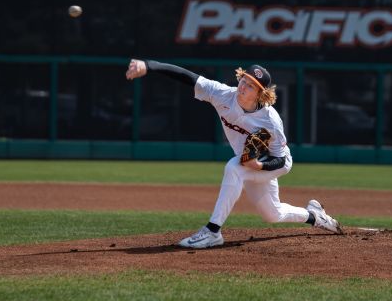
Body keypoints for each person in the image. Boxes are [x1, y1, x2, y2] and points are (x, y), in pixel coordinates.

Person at [125, 59, 343, 249]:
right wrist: (149, 66)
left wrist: (260, 167)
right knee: (272, 214)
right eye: (244, 80)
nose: (244, 86)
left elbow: (283, 160)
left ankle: (212, 231)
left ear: (261, 93)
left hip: (274, 163)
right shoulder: (222, 94)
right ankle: (315, 216)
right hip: (251, 162)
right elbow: (187, 76)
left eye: (251, 86)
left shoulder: (270, 120)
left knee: (234, 168)